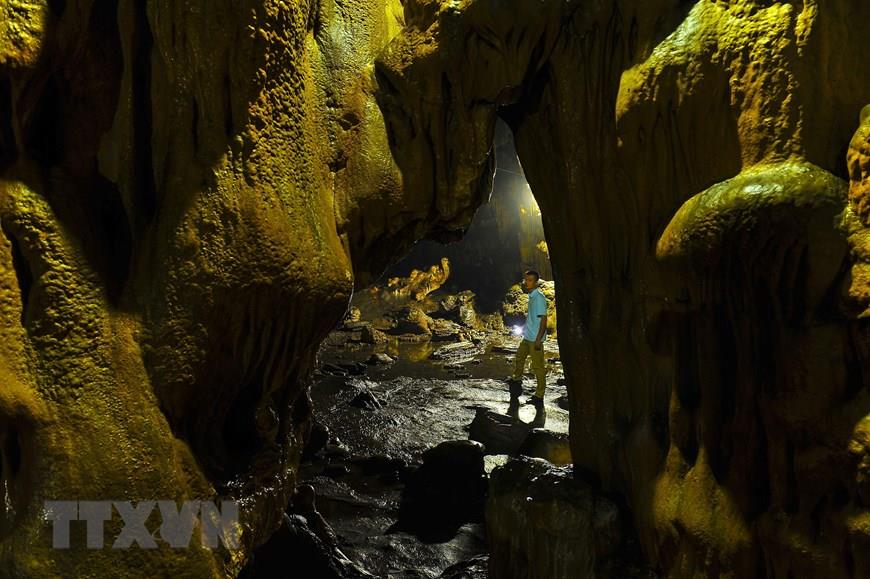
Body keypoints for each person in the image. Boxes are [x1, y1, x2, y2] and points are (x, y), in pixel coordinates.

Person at [508, 270, 548, 406]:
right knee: (519, 358)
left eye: (530, 280)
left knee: (538, 367)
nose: (527, 282)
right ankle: (517, 380)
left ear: (536, 282)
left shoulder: (539, 298)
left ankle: (539, 395)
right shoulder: (532, 296)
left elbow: (543, 320)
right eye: (526, 279)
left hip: (535, 339)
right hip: (528, 336)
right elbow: (532, 318)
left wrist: (538, 339)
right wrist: (524, 328)